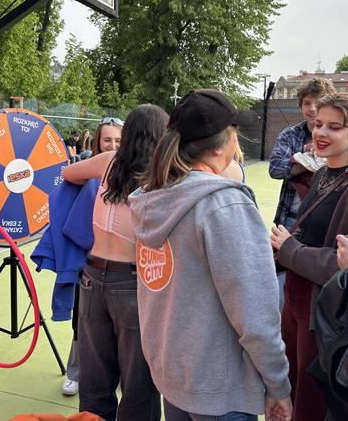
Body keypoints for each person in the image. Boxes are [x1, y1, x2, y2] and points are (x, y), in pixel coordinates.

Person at [130, 89, 293, 421]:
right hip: (219, 390)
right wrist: (278, 384)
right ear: (222, 145)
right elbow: (255, 312)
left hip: (175, 377)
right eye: (235, 134)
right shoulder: (223, 205)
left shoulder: (155, 198)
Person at [270, 93, 348, 421]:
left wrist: (290, 249)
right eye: (317, 125)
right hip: (296, 299)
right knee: (289, 390)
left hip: (322, 311)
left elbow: (345, 262)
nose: (321, 133)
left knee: (309, 402)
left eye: (335, 127)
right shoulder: (321, 174)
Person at [62, 104, 167, 421]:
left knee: (94, 380)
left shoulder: (108, 163)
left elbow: (67, 173)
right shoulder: (162, 176)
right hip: (132, 284)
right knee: (138, 383)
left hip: (92, 278)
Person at [60, 118, 124, 397]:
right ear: (98, 140)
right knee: (82, 320)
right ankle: (75, 372)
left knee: (117, 326)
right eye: (108, 140)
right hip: (88, 257)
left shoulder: (134, 168)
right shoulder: (92, 165)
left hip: (119, 262)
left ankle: (115, 376)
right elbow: (67, 175)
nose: (113, 146)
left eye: (119, 141)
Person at [269, 77, 335, 231]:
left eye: (318, 103)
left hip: (326, 219)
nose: (312, 108)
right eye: (307, 103)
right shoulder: (290, 135)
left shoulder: (339, 136)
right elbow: (275, 169)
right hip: (291, 217)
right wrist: (307, 158)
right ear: (300, 106)